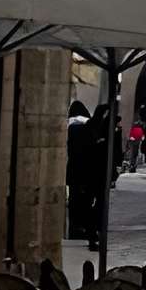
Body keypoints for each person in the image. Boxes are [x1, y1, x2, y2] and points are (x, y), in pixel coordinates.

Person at [65, 100, 94, 240]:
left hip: (72, 170)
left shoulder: (68, 128)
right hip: (87, 171)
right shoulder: (87, 128)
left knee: (74, 201)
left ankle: (73, 229)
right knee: (85, 202)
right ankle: (84, 228)